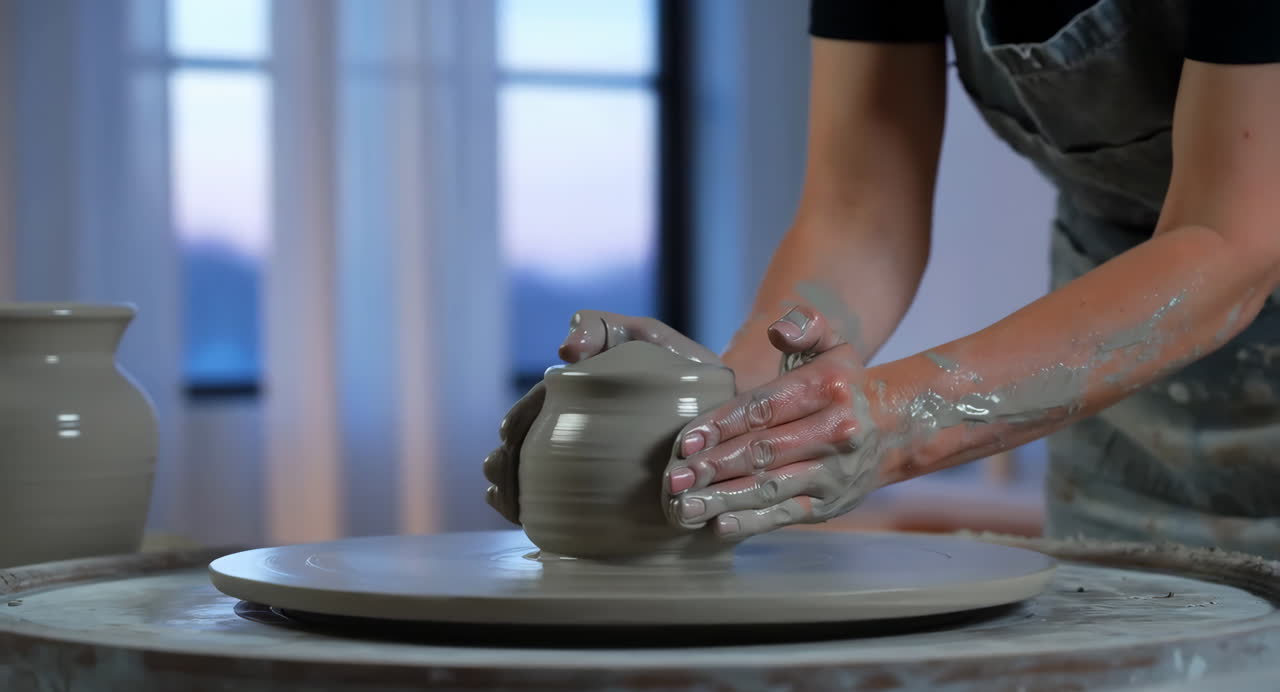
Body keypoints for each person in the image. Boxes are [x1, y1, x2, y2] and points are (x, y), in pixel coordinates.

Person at [485, 0, 1280, 558]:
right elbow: (860, 216)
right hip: (1122, 372)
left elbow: (1229, 238)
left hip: (1220, 277)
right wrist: (726, 407)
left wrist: (900, 421)